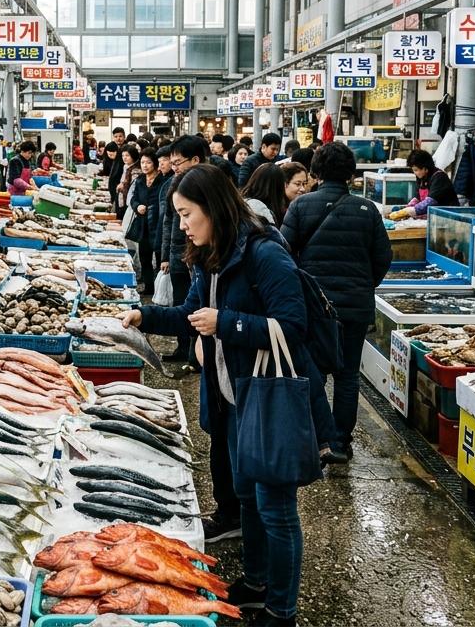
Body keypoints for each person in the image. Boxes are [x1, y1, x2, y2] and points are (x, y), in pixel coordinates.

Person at [122, 164, 314, 627]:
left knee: (276, 508)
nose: (183, 225)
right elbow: (192, 314)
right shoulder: (211, 254)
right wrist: (143, 318)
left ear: (214, 208)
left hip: (267, 394)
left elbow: (294, 326)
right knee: (246, 494)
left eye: (188, 214)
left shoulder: (265, 255)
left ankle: (280, 608)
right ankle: (255, 580)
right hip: (231, 394)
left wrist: (227, 324)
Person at [282, 142, 393, 461]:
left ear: (315, 172)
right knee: (347, 374)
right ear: (351, 174)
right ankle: (341, 442)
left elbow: (284, 252)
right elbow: (383, 256)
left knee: (312, 370)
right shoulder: (366, 209)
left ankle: (316, 438)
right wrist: (364, 284)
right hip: (355, 307)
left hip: (314, 308)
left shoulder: (301, 207)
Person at [161, 136, 208, 381]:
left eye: (178, 162)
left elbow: (290, 323)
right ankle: (189, 354)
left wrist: (225, 321)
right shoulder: (176, 186)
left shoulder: (260, 251)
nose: (182, 225)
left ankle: (195, 358)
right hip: (183, 258)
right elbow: (169, 224)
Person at [127, 149, 165, 295]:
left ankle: (160, 290)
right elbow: (133, 198)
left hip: (157, 224)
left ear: (155, 164)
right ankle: (149, 288)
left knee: (160, 258)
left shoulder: (163, 181)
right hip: (143, 225)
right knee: (145, 258)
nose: (145, 165)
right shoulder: (140, 180)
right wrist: (137, 207)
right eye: (142, 162)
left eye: (148, 162)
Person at [388, 149, 459, 219]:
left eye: (416, 170)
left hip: (448, 217)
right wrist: (404, 209)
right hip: (434, 218)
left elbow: (430, 203)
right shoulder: (421, 177)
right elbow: (417, 198)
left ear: (425, 168)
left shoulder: (439, 177)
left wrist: (407, 211)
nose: (414, 172)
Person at [116, 144, 140, 215]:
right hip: (123, 198)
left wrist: (123, 185)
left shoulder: (136, 170)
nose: (124, 158)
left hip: (130, 200)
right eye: (123, 155)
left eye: (127, 155)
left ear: (133, 155)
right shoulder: (126, 166)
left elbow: (133, 187)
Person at [102, 142, 122, 209]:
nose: (110, 157)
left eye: (112, 155)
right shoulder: (110, 161)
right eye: (109, 155)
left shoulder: (119, 162)